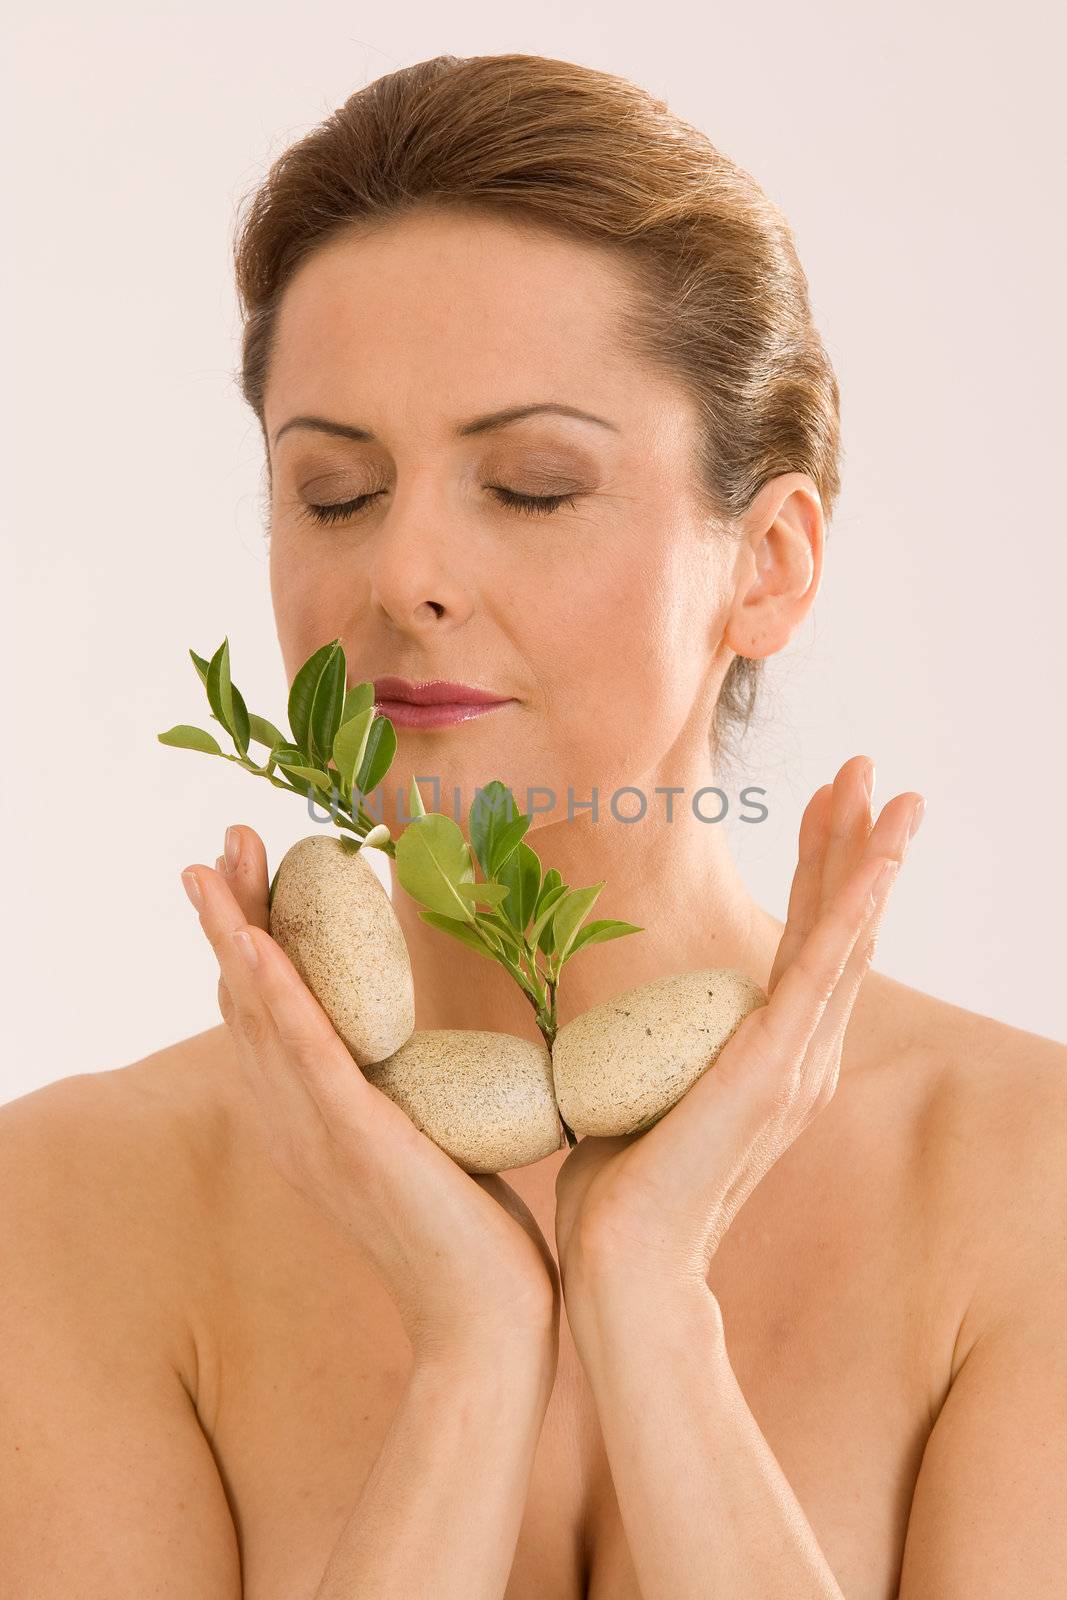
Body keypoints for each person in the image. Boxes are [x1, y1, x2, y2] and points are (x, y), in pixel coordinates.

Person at [2, 52, 1064, 1600]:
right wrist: (473, 1353)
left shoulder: (1027, 1183)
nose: (404, 573)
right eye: (338, 491)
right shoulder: (71, 1205)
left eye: (533, 485)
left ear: (766, 563)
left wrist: (651, 1309)